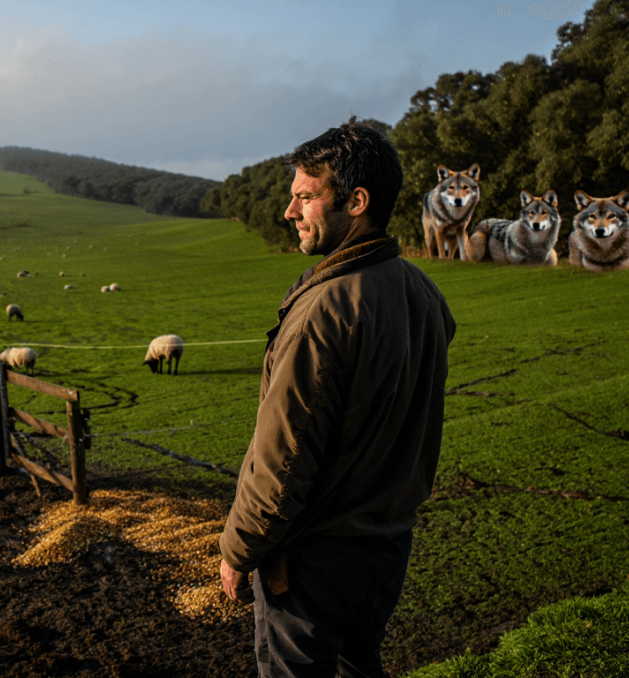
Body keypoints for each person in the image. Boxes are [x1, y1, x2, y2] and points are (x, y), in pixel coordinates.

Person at [218, 121, 456, 678]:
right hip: (386, 550)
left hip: (313, 562)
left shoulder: (323, 312)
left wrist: (237, 549)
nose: (289, 211)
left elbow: (283, 461)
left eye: (305, 196)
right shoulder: (423, 293)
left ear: (356, 201)